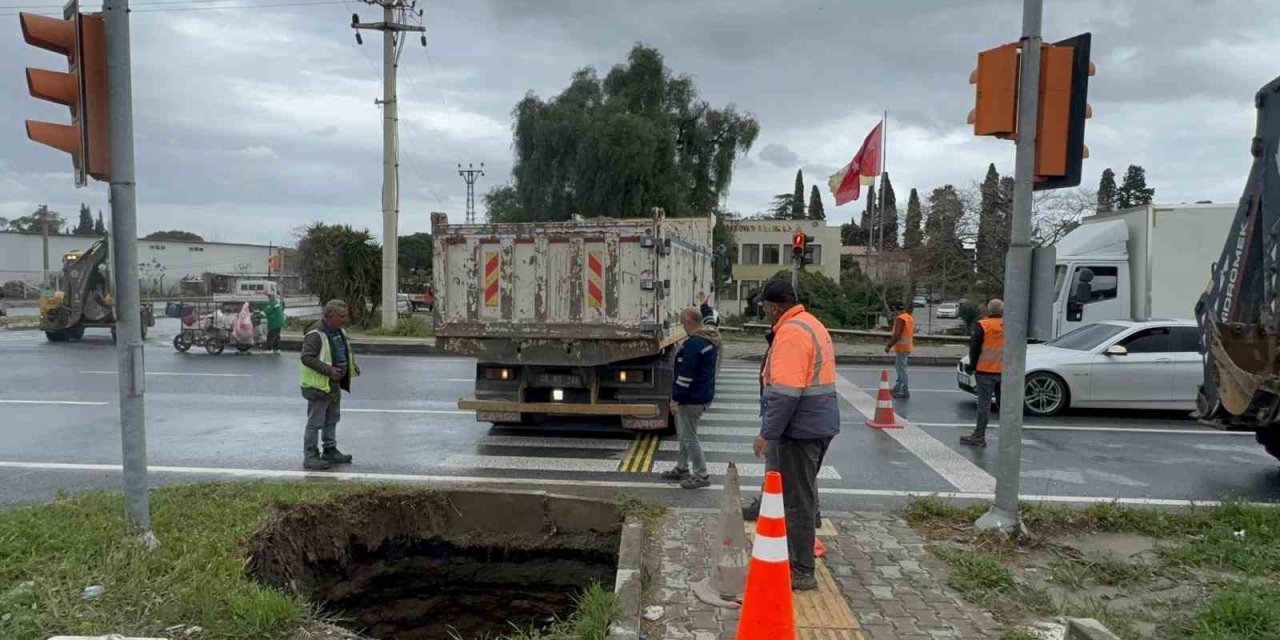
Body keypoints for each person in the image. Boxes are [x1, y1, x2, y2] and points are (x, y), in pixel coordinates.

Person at [756, 278, 840, 591]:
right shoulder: (809, 323)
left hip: (801, 429)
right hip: (817, 423)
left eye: (764, 306)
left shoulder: (791, 333)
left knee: (796, 501)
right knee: (802, 492)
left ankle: (801, 569)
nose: (764, 312)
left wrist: (767, 433)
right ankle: (799, 552)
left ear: (775, 306)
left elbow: (786, 393)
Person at [661, 308, 721, 489]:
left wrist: (675, 399)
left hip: (691, 398)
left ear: (689, 322)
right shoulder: (709, 339)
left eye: (683, 322)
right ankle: (681, 467)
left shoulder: (694, 344)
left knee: (689, 437)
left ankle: (701, 474)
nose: (682, 326)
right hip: (702, 394)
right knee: (684, 434)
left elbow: (685, 376)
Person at [299, 300, 360, 470]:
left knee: (332, 418)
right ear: (329, 316)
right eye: (342, 316)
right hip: (318, 386)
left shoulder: (338, 331)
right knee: (315, 422)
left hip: (333, 384)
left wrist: (351, 367)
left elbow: (341, 352)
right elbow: (306, 357)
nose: (345, 319)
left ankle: (330, 450)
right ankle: (310, 456)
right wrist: (328, 370)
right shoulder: (315, 334)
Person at [961, 299, 1005, 447]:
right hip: (1005, 371)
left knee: (984, 405)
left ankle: (979, 435)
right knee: (1005, 405)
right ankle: (1008, 435)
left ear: (988, 310)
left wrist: (972, 366)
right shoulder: (1009, 325)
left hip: (985, 370)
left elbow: (974, 349)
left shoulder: (983, 325)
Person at [884, 301, 915, 398]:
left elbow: (897, 335)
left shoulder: (900, 319)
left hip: (902, 347)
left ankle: (904, 390)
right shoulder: (909, 317)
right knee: (899, 367)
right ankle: (897, 388)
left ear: (895, 309)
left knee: (901, 369)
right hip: (907, 346)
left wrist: (888, 346)